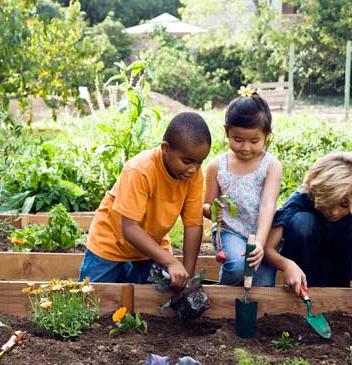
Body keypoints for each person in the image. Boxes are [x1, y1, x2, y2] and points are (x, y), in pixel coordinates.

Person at [78, 112, 212, 287]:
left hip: (151, 246)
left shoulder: (192, 176)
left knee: (155, 301)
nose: (193, 169)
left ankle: (127, 273)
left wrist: (187, 276)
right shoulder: (140, 170)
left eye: (199, 163)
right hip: (111, 243)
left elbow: (193, 225)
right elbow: (130, 229)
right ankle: (122, 272)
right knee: (90, 298)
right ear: (165, 149)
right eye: (187, 161)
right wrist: (171, 262)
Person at [264, 152, 352, 307]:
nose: (335, 212)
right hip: (301, 273)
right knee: (302, 221)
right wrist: (286, 265)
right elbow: (268, 249)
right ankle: (302, 288)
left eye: (344, 205)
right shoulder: (301, 200)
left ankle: (339, 290)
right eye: (329, 203)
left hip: (340, 272)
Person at [203, 87, 282, 286]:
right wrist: (212, 210)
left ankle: (251, 314)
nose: (245, 147)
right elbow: (206, 206)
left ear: (267, 136)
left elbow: (267, 205)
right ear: (226, 132)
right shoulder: (217, 166)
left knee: (262, 287)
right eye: (237, 140)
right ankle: (223, 304)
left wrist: (261, 243)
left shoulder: (271, 166)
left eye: (254, 141)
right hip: (231, 231)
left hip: (263, 232)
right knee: (237, 266)